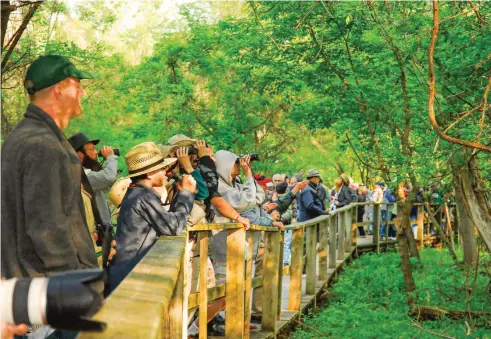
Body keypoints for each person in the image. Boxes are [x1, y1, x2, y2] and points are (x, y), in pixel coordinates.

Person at [1, 55, 99, 279]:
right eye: (77, 85)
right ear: (59, 91)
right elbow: (48, 231)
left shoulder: (22, 136)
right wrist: (75, 286)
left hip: (26, 288)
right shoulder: (44, 145)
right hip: (45, 292)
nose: (82, 92)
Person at [109, 142, 196, 292]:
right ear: (150, 174)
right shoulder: (143, 197)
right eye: (162, 168)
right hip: (131, 275)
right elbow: (173, 227)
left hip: (128, 271)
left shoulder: (138, 193)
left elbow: (167, 221)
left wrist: (181, 195)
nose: (165, 172)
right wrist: (186, 194)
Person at [68, 132, 119, 225]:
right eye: (91, 149)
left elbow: (107, 183)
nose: (96, 152)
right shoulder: (79, 175)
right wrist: (111, 157)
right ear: (79, 154)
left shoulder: (83, 172)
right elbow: (109, 177)